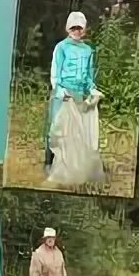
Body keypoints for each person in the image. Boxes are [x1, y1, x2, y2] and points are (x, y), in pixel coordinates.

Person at [45, 11, 105, 184]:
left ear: (84, 29)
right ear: (68, 28)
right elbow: (55, 72)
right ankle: (50, 163)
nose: (77, 31)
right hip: (63, 93)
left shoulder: (88, 50)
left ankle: (74, 167)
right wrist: (59, 90)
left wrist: (92, 89)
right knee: (56, 129)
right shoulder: (61, 47)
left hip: (78, 95)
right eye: (74, 27)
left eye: (80, 28)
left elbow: (88, 75)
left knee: (76, 132)